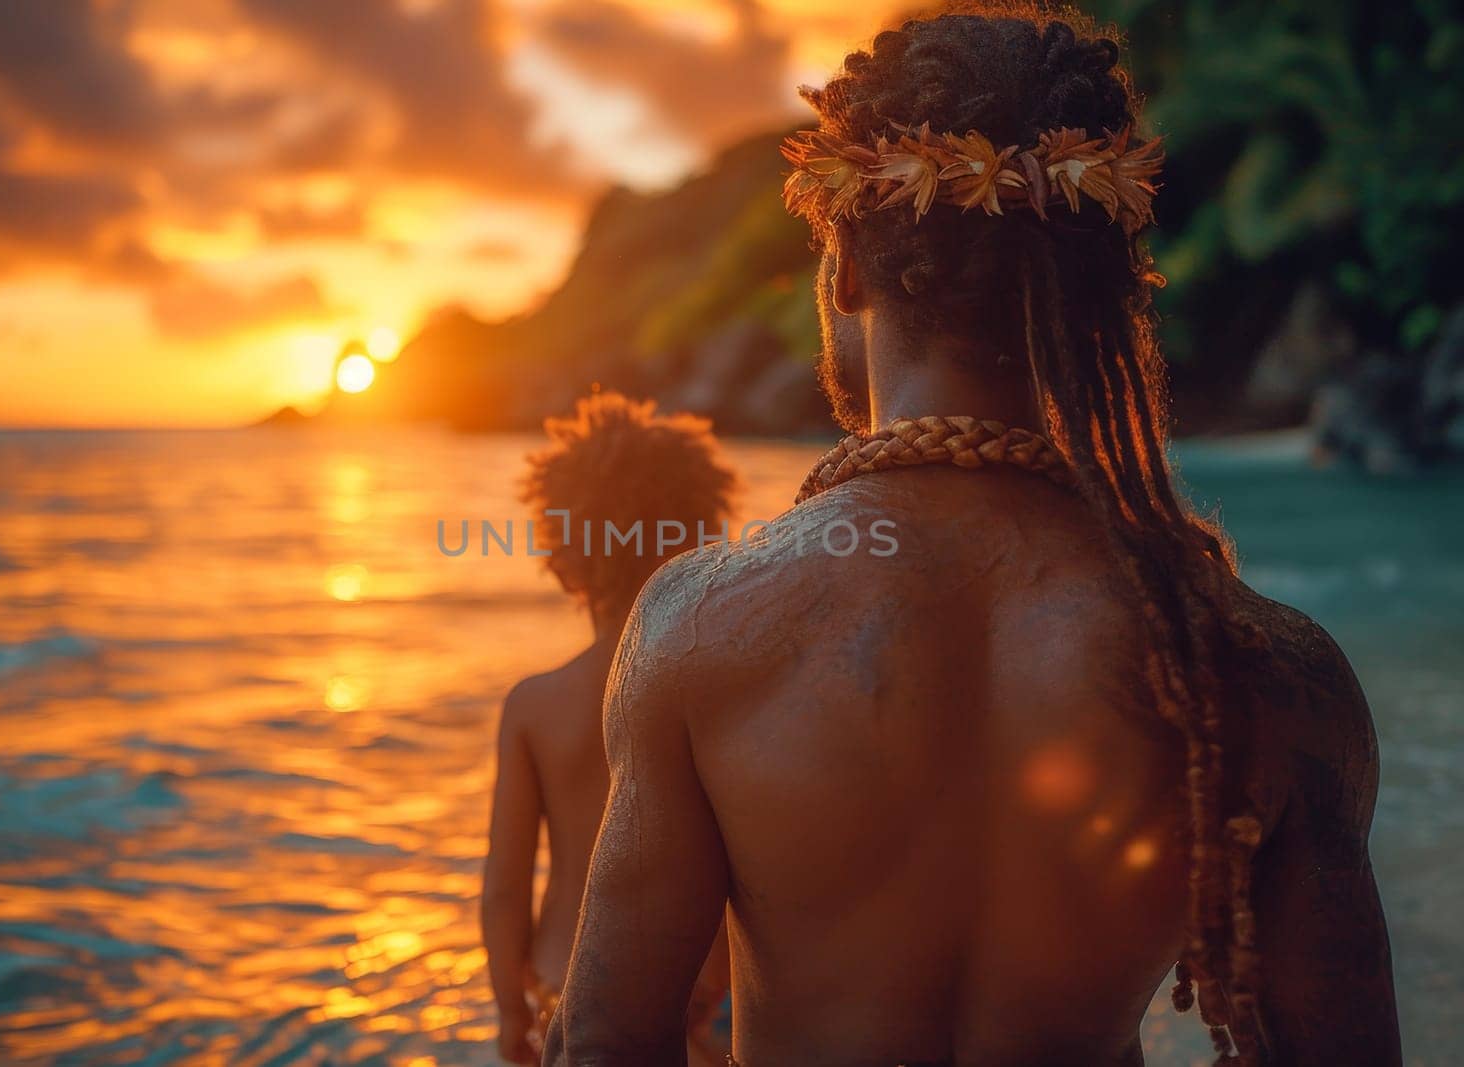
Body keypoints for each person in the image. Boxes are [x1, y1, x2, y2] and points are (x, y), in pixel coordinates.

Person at [544, 7, 1402, 1066]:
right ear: (1109, 283)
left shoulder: (693, 628)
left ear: (847, 264)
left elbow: (607, 1042)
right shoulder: (1263, 668)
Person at [480, 391, 737, 1064]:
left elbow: (506, 886)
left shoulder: (535, 705)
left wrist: (512, 1011)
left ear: (561, 553)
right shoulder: (714, 692)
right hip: (696, 991)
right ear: (699, 540)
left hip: (560, 985)